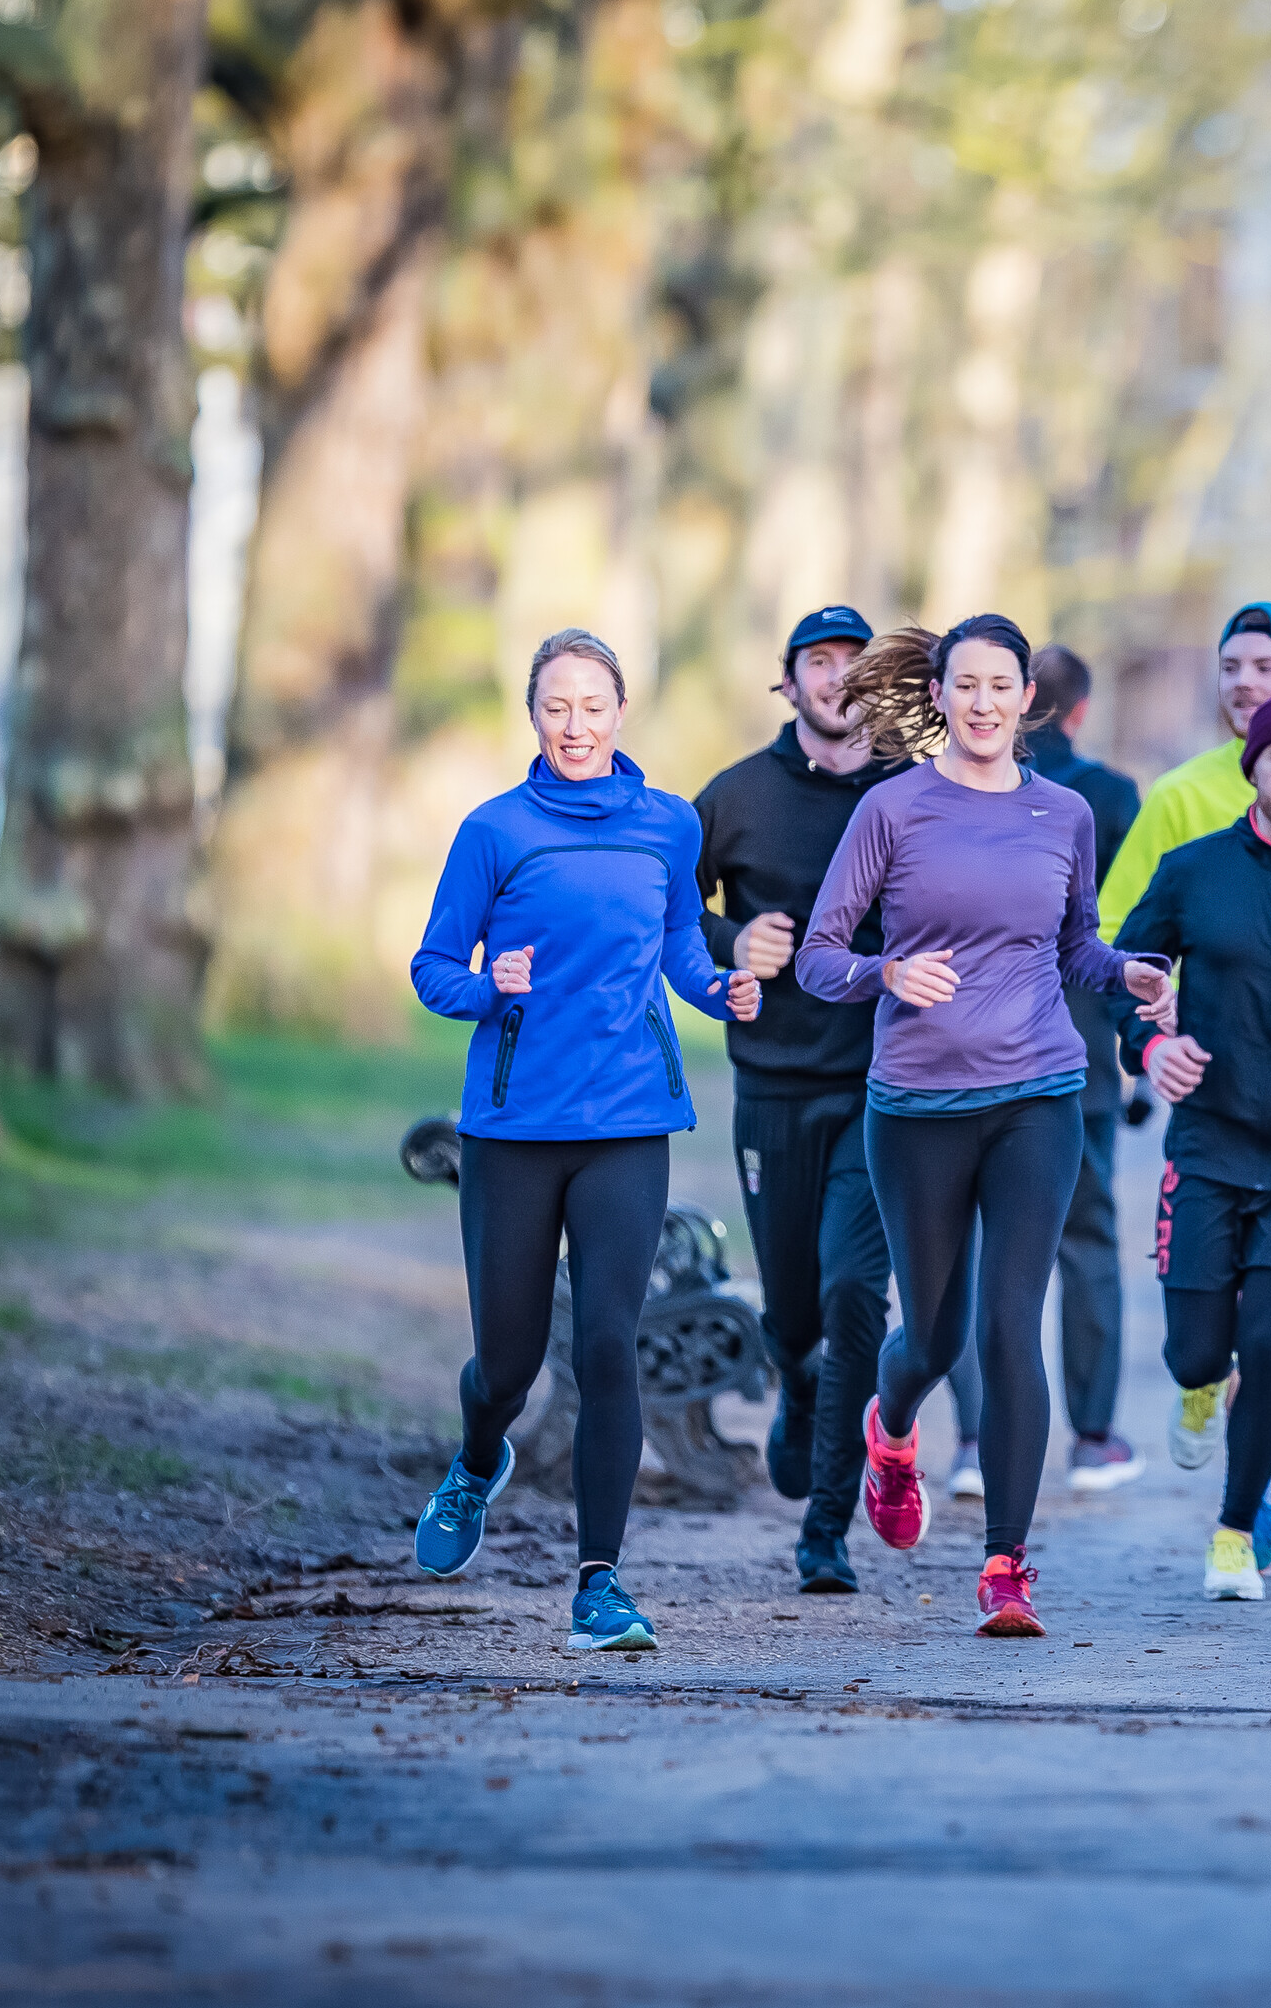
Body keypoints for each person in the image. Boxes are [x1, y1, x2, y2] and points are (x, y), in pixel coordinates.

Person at [796, 615, 1172, 1639]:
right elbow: (818, 955)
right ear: (943, 692)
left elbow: (1077, 943)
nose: (983, 701)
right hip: (915, 1106)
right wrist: (885, 971)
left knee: (1011, 1325)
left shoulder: (1063, 815)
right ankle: (894, 1424)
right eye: (965, 684)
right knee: (932, 1333)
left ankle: (1007, 1564)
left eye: (1000, 684)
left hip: (1038, 1093)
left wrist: (1127, 975)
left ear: (1026, 700)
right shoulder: (891, 809)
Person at [409, 628, 762, 1654]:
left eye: (592, 706)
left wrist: (721, 989)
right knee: (508, 1364)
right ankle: (478, 1461)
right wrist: (488, 988)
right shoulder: (493, 830)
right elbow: (435, 966)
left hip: (627, 1121)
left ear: (620, 712)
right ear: (533, 714)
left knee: (612, 1341)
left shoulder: (666, 827)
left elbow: (681, 947)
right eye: (556, 706)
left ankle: (598, 1584)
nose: (576, 724)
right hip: (515, 1129)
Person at [1099, 600, 1271, 1543]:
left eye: (1265, 664)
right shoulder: (1182, 810)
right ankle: (1232, 1447)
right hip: (1215, 1122)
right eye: (1230, 666)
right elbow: (1115, 950)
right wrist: (1152, 1030)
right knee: (1212, 1338)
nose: (1245, 682)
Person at [692, 606, 904, 1594]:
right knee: (790, 1304)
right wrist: (733, 945)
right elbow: (662, 908)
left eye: (852, 662)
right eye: (816, 662)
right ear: (787, 683)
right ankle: (793, 1374)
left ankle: (826, 1527)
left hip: (883, 1083)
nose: (834, 677)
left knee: (855, 1288)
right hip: (772, 1084)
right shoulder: (735, 797)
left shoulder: (914, 791)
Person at [1004, 641, 1143, 1498]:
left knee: (988, 1245)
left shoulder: (965, 787)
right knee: (1087, 1241)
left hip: (973, 1052)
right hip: (1082, 1052)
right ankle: (1093, 1435)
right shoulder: (1114, 796)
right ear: (1082, 711)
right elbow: (1119, 931)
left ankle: (975, 1439)